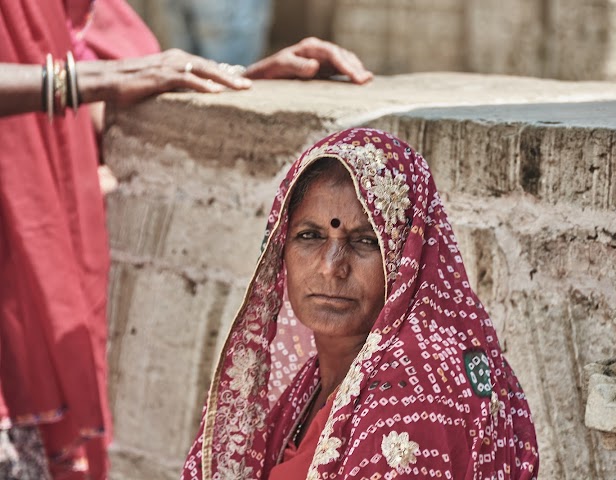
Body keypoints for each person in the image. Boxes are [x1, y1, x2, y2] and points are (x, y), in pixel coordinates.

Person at [0, 1, 371, 478]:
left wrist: (231, 79)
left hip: (38, 254)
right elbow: (93, 77)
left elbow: (102, 80)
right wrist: (90, 80)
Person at [182, 128, 539, 479]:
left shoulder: (412, 398)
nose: (331, 266)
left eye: (365, 241)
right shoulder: (316, 382)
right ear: (280, 251)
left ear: (405, 260)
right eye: (310, 236)